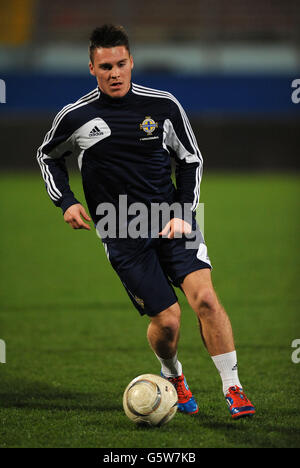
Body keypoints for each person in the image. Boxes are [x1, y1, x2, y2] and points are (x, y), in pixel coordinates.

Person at [37, 24, 255, 419]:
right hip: (120, 230)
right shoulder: (76, 116)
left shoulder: (163, 106)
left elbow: (191, 160)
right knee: (168, 322)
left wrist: (182, 214)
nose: (115, 73)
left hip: (170, 219)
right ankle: (173, 375)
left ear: (132, 62)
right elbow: (47, 155)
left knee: (205, 298)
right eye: (105, 67)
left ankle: (233, 387)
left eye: (121, 64)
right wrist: (65, 201)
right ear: (91, 68)